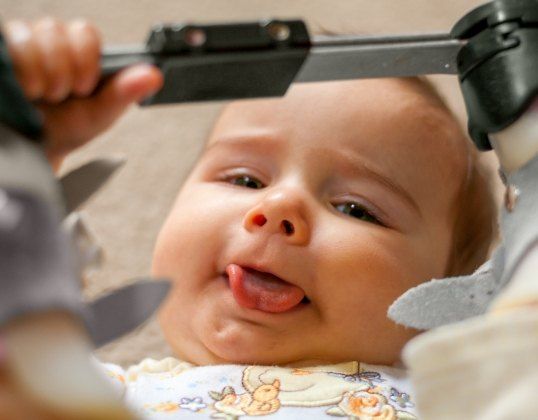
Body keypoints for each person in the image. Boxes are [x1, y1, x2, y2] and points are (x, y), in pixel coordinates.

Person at [0, 18, 498, 419]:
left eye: (356, 209)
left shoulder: (461, 399)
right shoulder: (88, 387)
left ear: (449, 307)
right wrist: (22, 160)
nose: (278, 209)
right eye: (243, 181)